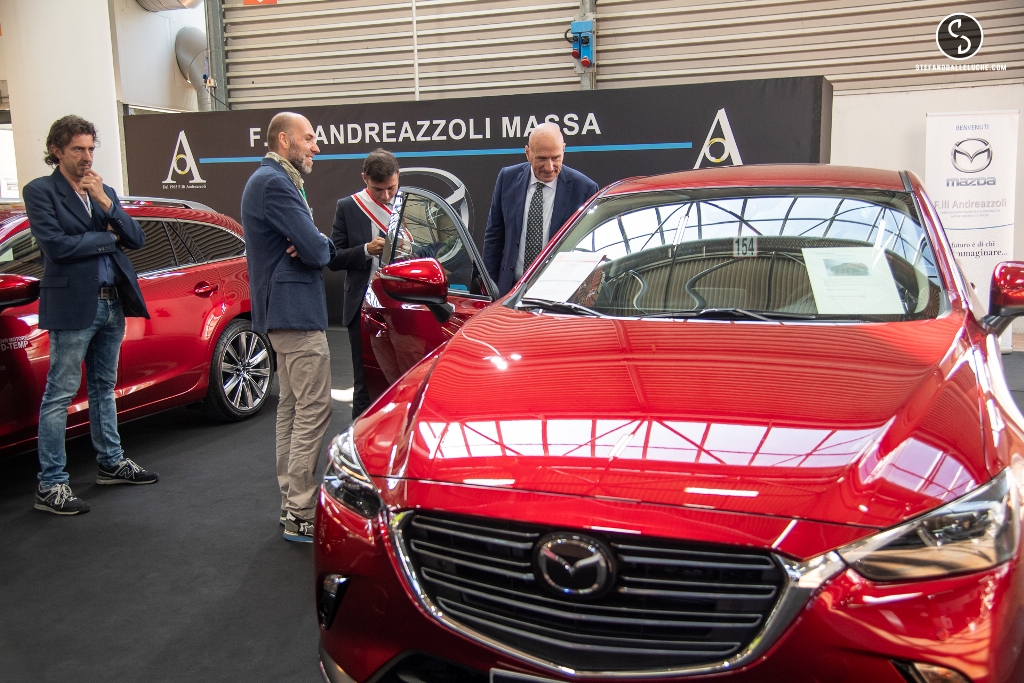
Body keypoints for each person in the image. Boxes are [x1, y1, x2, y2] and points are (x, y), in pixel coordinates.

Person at [24, 115, 157, 515]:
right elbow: (57, 247)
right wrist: (107, 238)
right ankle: (51, 485)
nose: (86, 157)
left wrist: (105, 203)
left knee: (104, 387)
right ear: (56, 151)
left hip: (112, 303)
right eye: (77, 149)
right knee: (59, 395)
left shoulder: (102, 190)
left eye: (90, 149)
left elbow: (137, 238)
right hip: (73, 305)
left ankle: (111, 463)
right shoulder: (40, 191)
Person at [241, 112, 336, 543]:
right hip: (294, 314)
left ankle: (291, 505)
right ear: (285, 140)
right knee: (312, 408)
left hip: (285, 313)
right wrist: (319, 243)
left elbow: (309, 244)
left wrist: (312, 243)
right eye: (309, 138)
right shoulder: (275, 183)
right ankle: (300, 509)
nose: (316, 147)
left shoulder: (272, 180)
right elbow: (315, 249)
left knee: (294, 408)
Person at [483, 123, 600, 296]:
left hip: (557, 295)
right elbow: (494, 238)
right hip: (509, 293)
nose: (549, 167)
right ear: (528, 153)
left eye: (556, 158)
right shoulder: (507, 178)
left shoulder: (584, 189)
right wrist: (488, 291)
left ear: (563, 150)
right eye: (542, 159)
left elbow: (587, 252)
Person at [327, 149, 400, 419]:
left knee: (403, 378)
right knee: (365, 381)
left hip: (402, 305)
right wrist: (366, 250)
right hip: (362, 306)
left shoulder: (409, 204)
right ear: (364, 179)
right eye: (378, 189)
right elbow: (334, 258)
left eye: (391, 187)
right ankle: (361, 437)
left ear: (398, 176)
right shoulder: (348, 207)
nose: (386, 196)